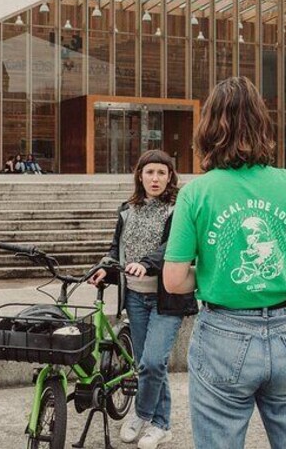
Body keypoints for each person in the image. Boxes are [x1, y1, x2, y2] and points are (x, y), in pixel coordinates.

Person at [163, 77, 286, 449]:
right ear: (262, 126)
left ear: (209, 128)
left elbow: (173, 280)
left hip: (223, 334)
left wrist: (219, 273)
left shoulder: (196, 192)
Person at [89, 150, 197, 449]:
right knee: (147, 364)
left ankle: (142, 414)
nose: (155, 178)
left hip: (167, 298)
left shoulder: (177, 209)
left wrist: (148, 262)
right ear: (140, 175)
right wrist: (104, 268)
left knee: (152, 361)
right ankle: (161, 426)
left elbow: (174, 247)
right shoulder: (127, 209)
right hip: (135, 296)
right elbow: (116, 250)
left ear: (170, 177)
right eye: (149, 172)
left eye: (162, 173)